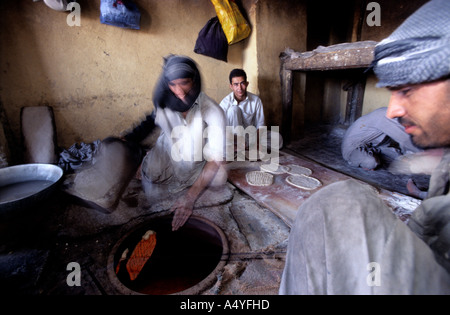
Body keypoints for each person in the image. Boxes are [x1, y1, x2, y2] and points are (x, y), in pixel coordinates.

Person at [279, 0, 450, 294]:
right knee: (365, 175)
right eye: (393, 92)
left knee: (338, 201)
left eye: (406, 90)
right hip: (357, 150)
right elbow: (435, 209)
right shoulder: (383, 122)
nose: (393, 107)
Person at [124, 55, 227, 231]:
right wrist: (126, 139)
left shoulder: (213, 111)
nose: (179, 92)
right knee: (151, 172)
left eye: (184, 83)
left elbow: (215, 159)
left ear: (194, 81)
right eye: (173, 84)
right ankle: (148, 157)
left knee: (219, 178)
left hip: (195, 158)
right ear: (167, 84)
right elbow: (150, 121)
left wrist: (190, 198)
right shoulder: (165, 101)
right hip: (168, 149)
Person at [219, 69, 282, 160]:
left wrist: (256, 142)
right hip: (234, 138)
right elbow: (220, 128)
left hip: (250, 136)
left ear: (247, 84)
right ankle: (238, 147)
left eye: (242, 83)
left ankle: (245, 147)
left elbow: (260, 125)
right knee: (233, 110)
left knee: (278, 139)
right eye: (236, 84)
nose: (239, 88)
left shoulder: (256, 100)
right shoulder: (225, 103)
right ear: (231, 86)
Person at [341, 107, 422, 170]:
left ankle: (373, 153)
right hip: (353, 147)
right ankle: (358, 159)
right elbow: (405, 139)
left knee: (400, 157)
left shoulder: (392, 115)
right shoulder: (384, 115)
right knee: (371, 163)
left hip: (374, 145)